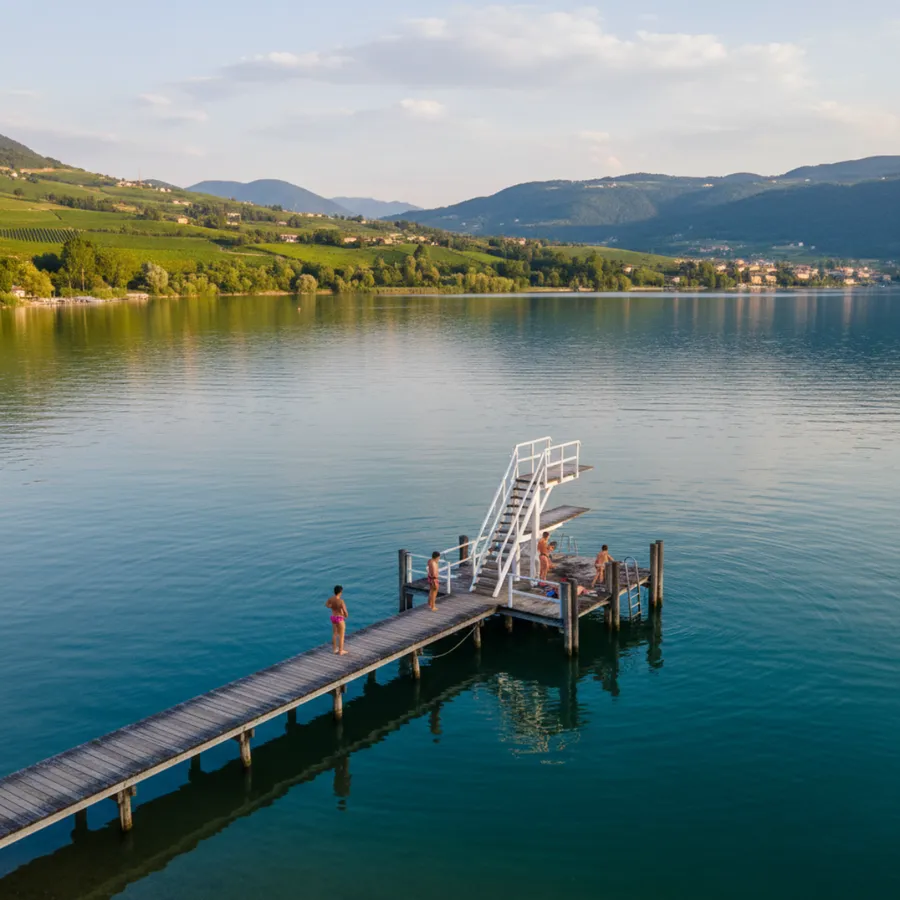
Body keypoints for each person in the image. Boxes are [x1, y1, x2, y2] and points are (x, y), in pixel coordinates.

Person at [326, 585, 349, 655]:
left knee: (335, 634)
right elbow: (345, 611)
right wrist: (345, 616)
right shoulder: (341, 601)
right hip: (339, 618)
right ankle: (341, 651)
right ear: (340, 592)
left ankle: (334, 649)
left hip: (333, 617)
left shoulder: (331, 599)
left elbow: (327, 605)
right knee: (341, 635)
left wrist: (332, 607)